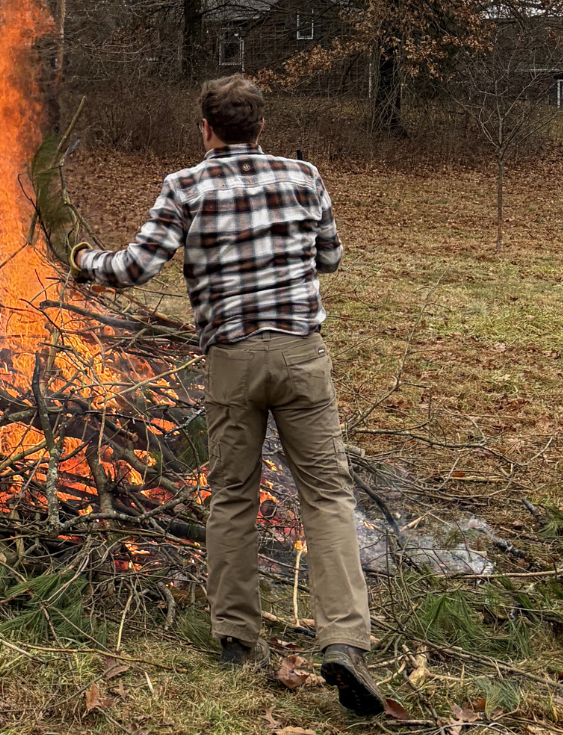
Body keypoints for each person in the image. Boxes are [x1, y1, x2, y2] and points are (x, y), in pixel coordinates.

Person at [68, 74, 384, 717]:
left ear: (205, 128)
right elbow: (331, 257)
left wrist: (82, 260)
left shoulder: (186, 186)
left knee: (233, 495)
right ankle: (345, 639)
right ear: (259, 126)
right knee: (326, 495)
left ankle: (237, 637)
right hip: (301, 356)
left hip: (233, 361)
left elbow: (134, 268)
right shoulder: (304, 176)